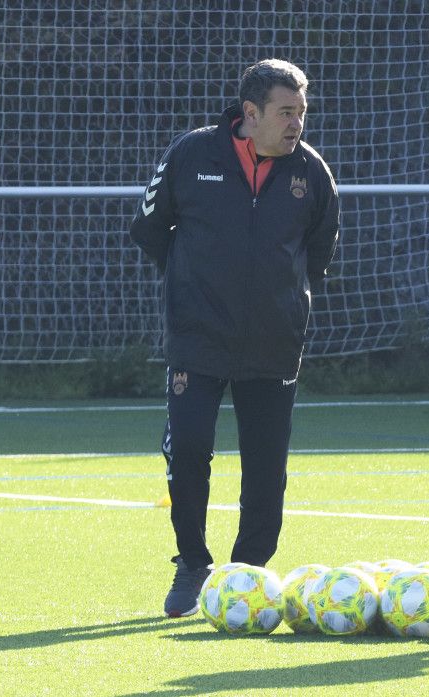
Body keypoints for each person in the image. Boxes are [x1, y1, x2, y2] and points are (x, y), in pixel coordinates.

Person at [129, 59, 340, 618]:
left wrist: (286, 303)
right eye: (285, 112)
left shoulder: (312, 174)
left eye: (302, 112)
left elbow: (318, 254)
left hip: (274, 344)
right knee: (192, 448)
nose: (297, 123)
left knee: (266, 466)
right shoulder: (192, 154)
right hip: (197, 338)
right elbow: (149, 228)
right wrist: (189, 287)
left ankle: (248, 573)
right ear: (251, 114)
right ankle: (193, 563)